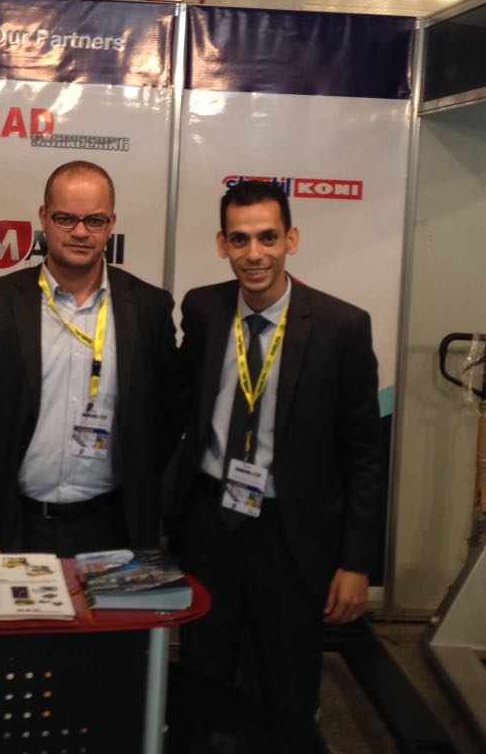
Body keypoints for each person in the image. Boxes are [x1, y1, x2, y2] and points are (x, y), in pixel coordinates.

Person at [170, 179, 384, 753]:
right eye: (240, 240)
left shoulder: (341, 327)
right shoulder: (204, 309)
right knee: (203, 676)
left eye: (267, 237)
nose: (254, 254)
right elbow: (178, 405)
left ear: (292, 239)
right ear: (222, 244)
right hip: (211, 524)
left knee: (288, 687)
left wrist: (356, 563)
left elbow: (365, 454)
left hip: (291, 536)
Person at [0, 160, 183, 557]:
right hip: (11, 526)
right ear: (44, 217)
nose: (81, 232)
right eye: (66, 218)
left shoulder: (149, 308)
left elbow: (169, 416)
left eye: (95, 220)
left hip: (114, 528)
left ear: (112, 223)